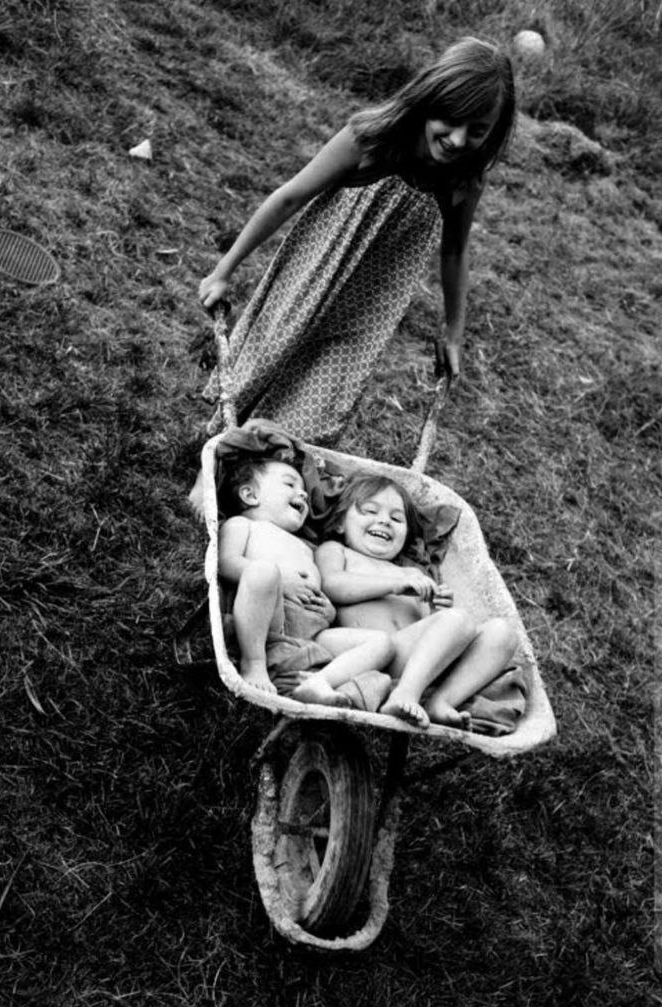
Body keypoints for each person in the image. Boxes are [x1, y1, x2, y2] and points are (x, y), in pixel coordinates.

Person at [198, 37, 516, 450]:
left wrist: (453, 333)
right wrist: (225, 270)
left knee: (321, 399)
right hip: (313, 277)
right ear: (429, 98)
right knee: (268, 362)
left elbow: (455, 253)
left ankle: (280, 469)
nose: (456, 140)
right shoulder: (368, 140)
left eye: (476, 131)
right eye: (450, 121)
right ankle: (221, 452)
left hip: (366, 312)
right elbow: (290, 196)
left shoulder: (462, 182)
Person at [315, 474, 519, 728]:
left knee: (503, 632)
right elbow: (332, 585)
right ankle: (404, 694)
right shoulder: (336, 551)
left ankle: (441, 701)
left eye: (396, 518)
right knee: (457, 619)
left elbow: (430, 629)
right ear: (340, 524)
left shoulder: (413, 574)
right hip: (373, 656)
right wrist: (395, 585)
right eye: (370, 510)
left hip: (420, 664)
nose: (384, 521)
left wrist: (436, 608)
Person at [218, 457, 395, 708]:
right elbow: (225, 562)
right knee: (263, 572)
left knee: (382, 643)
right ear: (250, 495)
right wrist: (283, 580)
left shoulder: (308, 547)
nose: (302, 493)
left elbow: (321, 589)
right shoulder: (243, 525)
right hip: (270, 619)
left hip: (314, 633)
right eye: (290, 484)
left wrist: (329, 611)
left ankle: (319, 682)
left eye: (304, 490)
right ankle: (254, 664)